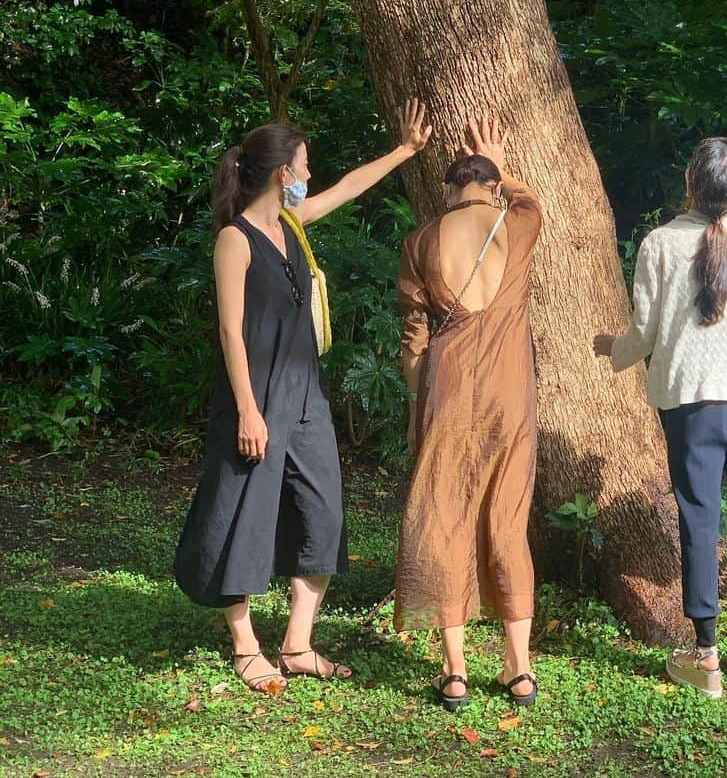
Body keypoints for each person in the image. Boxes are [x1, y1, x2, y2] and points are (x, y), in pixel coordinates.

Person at [174, 99, 432, 694]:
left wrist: (405, 150)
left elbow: (345, 190)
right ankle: (245, 645)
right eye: (305, 166)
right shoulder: (234, 241)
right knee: (240, 513)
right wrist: (246, 409)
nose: (310, 176)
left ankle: (297, 643)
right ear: (281, 174)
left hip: (306, 393)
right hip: (255, 395)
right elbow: (229, 332)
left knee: (323, 511)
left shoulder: (290, 223)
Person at [594, 136, 727, 699]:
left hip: (693, 399)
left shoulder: (659, 243)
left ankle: (704, 657)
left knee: (700, 521)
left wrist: (611, 350)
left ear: (690, 184)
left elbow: (645, 334)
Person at [394, 116, 543, 712]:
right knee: (508, 517)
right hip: (510, 388)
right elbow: (528, 196)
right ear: (489, 184)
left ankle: (455, 670)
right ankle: (519, 669)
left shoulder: (421, 241)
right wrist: (503, 163)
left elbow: (414, 339)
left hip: (448, 387)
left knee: (442, 513)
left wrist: (414, 406)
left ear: (450, 189)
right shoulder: (519, 223)